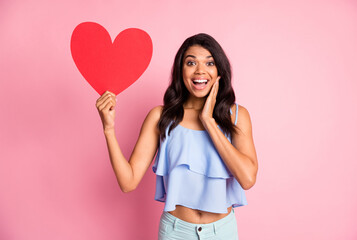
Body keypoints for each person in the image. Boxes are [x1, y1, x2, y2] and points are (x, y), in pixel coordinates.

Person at [96, 33, 258, 240]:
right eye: (191, 62)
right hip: (176, 232)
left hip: (222, 232)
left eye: (209, 63)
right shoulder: (160, 117)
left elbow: (247, 179)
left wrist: (208, 121)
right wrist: (108, 129)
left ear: (219, 71)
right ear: (180, 70)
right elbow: (128, 182)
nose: (200, 70)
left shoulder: (237, 115)